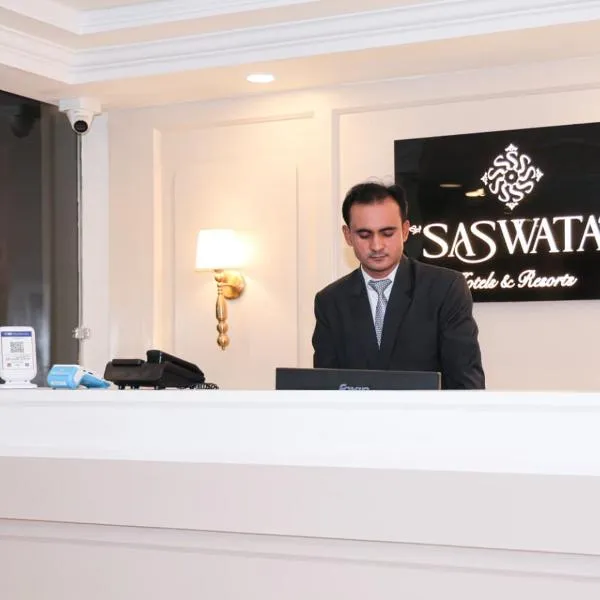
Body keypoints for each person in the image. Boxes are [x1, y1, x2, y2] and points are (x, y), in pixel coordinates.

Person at [312, 182, 485, 389]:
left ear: (405, 231)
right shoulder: (330, 301)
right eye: (364, 235)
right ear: (348, 235)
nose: (377, 246)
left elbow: (466, 384)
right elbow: (325, 388)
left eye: (387, 233)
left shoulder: (445, 289)